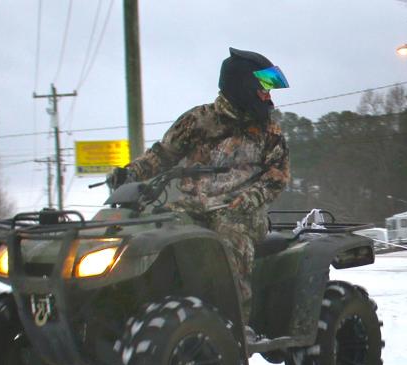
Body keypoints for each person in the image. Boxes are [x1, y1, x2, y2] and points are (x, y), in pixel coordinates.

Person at [107, 47, 290, 328]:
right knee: (152, 229)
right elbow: (162, 155)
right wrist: (129, 174)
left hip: (240, 211)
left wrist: (250, 198)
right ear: (242, 86)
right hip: (192, 207)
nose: (268, 95)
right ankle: (148, 310)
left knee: (230, 237)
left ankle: (235, 326)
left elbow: (277, 177)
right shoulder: (198, 121)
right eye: (263, 88)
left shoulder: (269, 133)